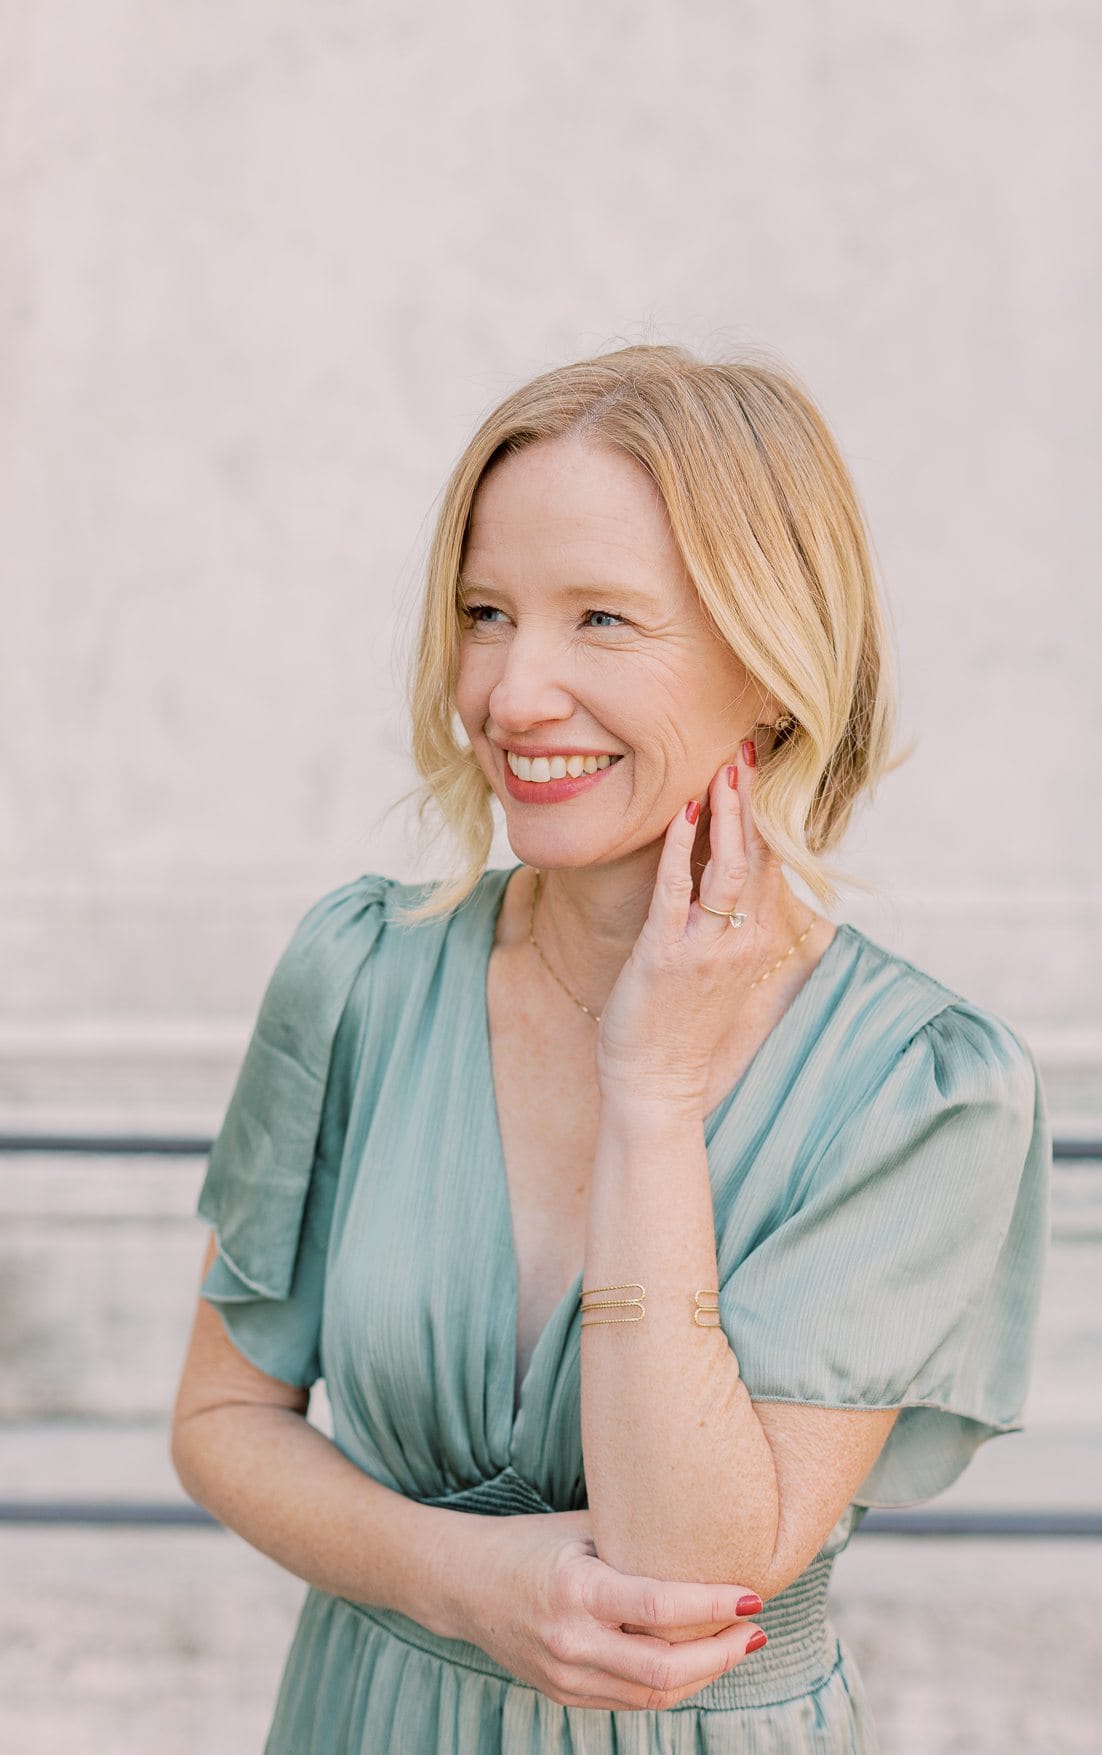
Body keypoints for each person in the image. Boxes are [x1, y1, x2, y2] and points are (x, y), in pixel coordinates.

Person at [170, 343, 1051, 1752]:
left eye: (601, 620)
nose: (513, 695)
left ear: (773, 662)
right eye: (485, 612)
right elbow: (220, 1417)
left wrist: (653, 1093)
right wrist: (467, 1582)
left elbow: (684, 1565)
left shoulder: (922, 1090)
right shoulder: (358, 973)